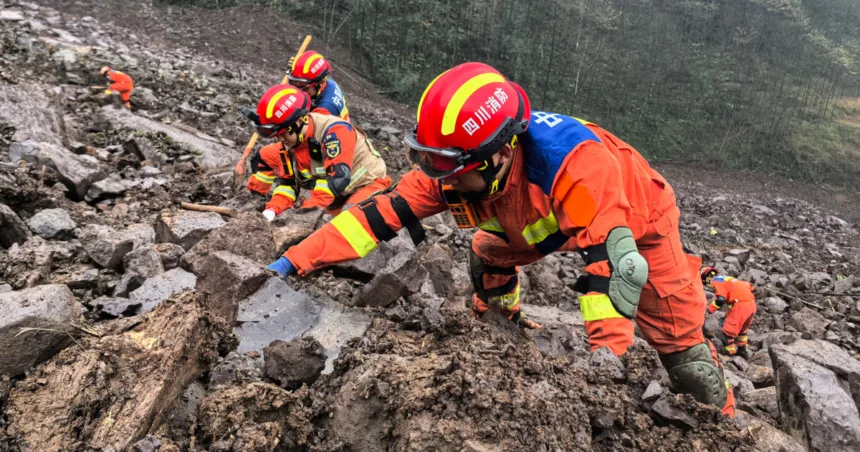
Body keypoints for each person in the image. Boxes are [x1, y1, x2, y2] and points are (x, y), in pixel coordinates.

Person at [266, 62, 736, 416]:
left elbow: (610, 274)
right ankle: (500, 326)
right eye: (429, 160)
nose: (438, 179)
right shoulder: (453, 166)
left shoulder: (579, 167)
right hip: (534, 218)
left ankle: (726, 426)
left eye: (449, 168)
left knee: (684, 354)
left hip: (636, 223)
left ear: (499, 153)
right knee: (487, 256)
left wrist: (601, 378)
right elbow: (371, 219)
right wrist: (291, 264)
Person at [244, 84, 389, 221]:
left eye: (283, 134)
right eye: (277, 135)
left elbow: (337, 179)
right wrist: (271, 210)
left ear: (300, 121)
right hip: (337, 197)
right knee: (321, 229)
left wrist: (302, 215)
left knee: (347, 225)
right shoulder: (289, 145)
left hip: (368, 185)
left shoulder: (335, 132)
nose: (280, 139)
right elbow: (288, 185)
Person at [701, 266, 757, 357]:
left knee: (727, 332)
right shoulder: (728, 279)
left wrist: (708, 309)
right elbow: (750, 287)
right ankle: (742, 351)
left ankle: (730, 354)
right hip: (752, 305)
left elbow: (720, 300)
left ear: (707, 279)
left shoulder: (716, 282)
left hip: (741, 306)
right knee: (742, 330)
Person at [287, 50, 349, 121]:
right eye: (294, 82)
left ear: (320, 82)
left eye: (302, 85)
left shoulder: (324, 109)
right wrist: (297, 68)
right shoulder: (329, 83)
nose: (298, 90)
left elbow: (303, 128)